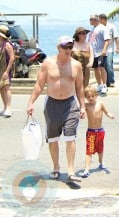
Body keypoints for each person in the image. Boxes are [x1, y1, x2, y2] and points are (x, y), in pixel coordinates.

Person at [27, 36, 86, 183]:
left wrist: (83, 106)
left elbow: (80, 87)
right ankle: (56, 167)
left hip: (70, 104)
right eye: (65, 47)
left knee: (70, 136)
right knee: (53, 138)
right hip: (52, 103)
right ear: (58, 47)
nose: (68, 50)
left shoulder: (77, 65)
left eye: (70, 47)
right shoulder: (48, 63)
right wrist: (31, 102)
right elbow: (39, 84)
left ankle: (71, 171)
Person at [79, 85, 115, 178]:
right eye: (88, 97)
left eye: (92, 96)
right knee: (89, 150)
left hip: (100, 131)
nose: (91, 98)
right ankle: (86, 169)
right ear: (86, 98)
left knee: (100, 149)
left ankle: (101, 162)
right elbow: (82, 113)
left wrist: (110, 115)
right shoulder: (86, 106)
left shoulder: (100, 104)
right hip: (91, 132)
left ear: (96, 95)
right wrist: (82, 115)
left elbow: (107, 112)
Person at [88, 14, 111, 94]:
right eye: (90, 19)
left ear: (96, 19)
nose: (90, 20)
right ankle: (99, 85)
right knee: (96, 69)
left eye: (91, 19)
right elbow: (90, 41)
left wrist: (104, 50)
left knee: (102, 68)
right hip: (93, 53)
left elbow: (107, 40)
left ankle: (105, 85)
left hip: (101, 52)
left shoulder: (102, 28)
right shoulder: (92, 29)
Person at [99, 14, 119, 88]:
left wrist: (118, 48)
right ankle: (106, 82)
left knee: (109, 65)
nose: (99, 21)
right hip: (101, 50)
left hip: (110, 50)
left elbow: (116, 38)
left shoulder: (111, 27)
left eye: (99, 19)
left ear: (103, 19)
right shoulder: (99, 28)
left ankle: (111, 81)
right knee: (102, 66)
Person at [0, 25, 15, 118]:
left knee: (6, 88)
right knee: (1, 89)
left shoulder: (7, 44)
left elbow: (12, 58)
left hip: (5, 69)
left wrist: (7, 71)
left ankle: (9, 108)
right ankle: (5, 107)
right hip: (0, 70)